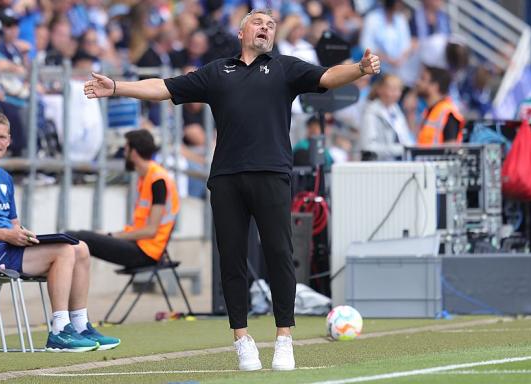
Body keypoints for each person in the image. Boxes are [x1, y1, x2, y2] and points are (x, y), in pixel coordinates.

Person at [83, 8, 380, 371]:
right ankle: (242, 340)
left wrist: (360, 69)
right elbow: (165, 87)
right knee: (232, 260)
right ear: (242, 32)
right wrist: (116, 87)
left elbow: (329, 77)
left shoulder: (285, 67)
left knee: (279, 255)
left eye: (271, 25)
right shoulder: (217, 71)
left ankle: (284, 339)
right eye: (259, 22)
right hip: (226, 177)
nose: (266, 28)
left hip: (272, 173)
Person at [0, 112, 120, 352]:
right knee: (64, 252)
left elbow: (12, 224)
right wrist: (7, 235)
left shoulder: (4, 176)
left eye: (1, 137)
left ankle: (79, 324)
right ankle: (59, 331)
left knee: (81, 248)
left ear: (9, 141)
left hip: (5, 248)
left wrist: (22, 234)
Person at [66, 129, 179, 269]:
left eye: (126, 150)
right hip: (141, 246)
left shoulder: (158, 180)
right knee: (78, 237)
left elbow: (151, 231)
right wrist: (109, 235)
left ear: (134, 153)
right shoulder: (149, 177)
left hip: (146, 252)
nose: (124, 154)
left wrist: (113, 235)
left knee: (76, 238)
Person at [360, 74, 413, 160]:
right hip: (379, 166)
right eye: (391, 89)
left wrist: (408, 148)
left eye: (398, 89)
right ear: (380, 89)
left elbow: (405, 138)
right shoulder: (371, 111)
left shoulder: (396, 109)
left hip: (399, 162)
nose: (395, 93)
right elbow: (368, 146)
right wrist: (399, 149)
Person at [416, 65, 465, 145]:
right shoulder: (429, 111)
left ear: (435, 86)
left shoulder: (447, 113)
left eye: (423, 79)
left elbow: (451, 149)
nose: (418, 82)